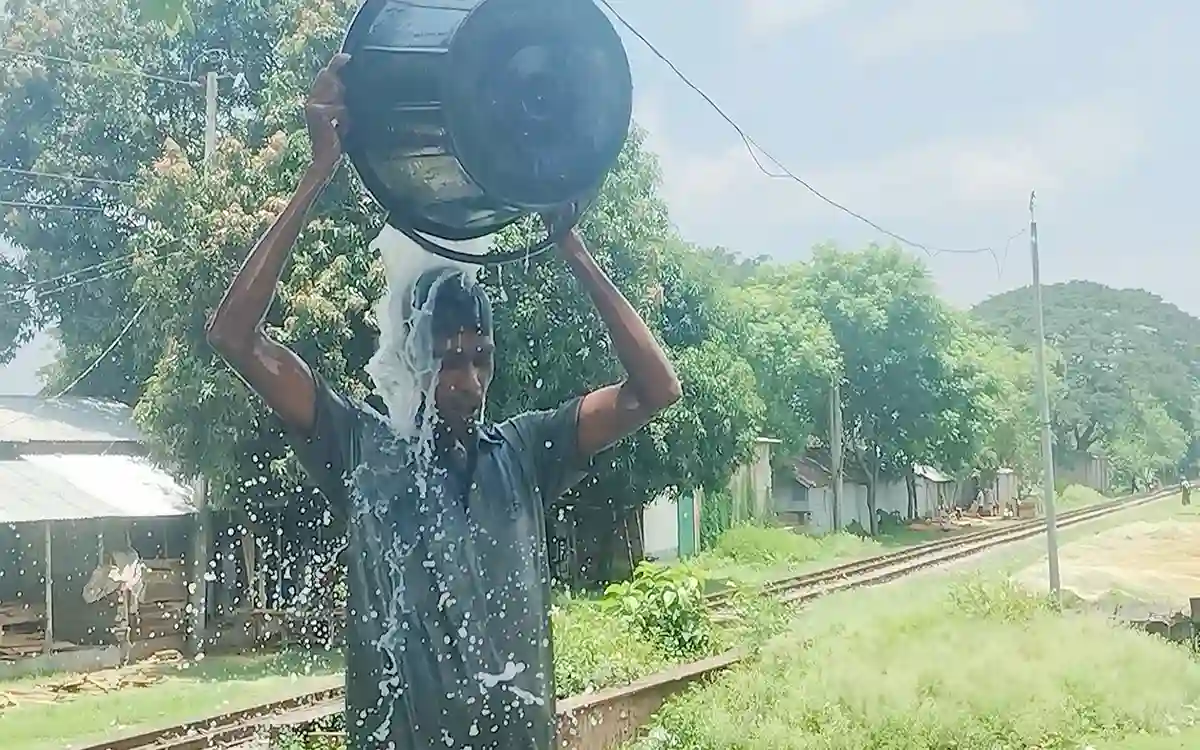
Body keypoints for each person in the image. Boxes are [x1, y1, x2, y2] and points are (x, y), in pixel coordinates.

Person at [205, 54, 681, 749]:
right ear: (411, 359)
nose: (465, 378)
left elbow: (655, 389)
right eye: (446, 358)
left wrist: (571, 247)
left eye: (479, 357)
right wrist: (315, 177)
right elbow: (234, 337)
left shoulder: (525, 454)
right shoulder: (361, 450)